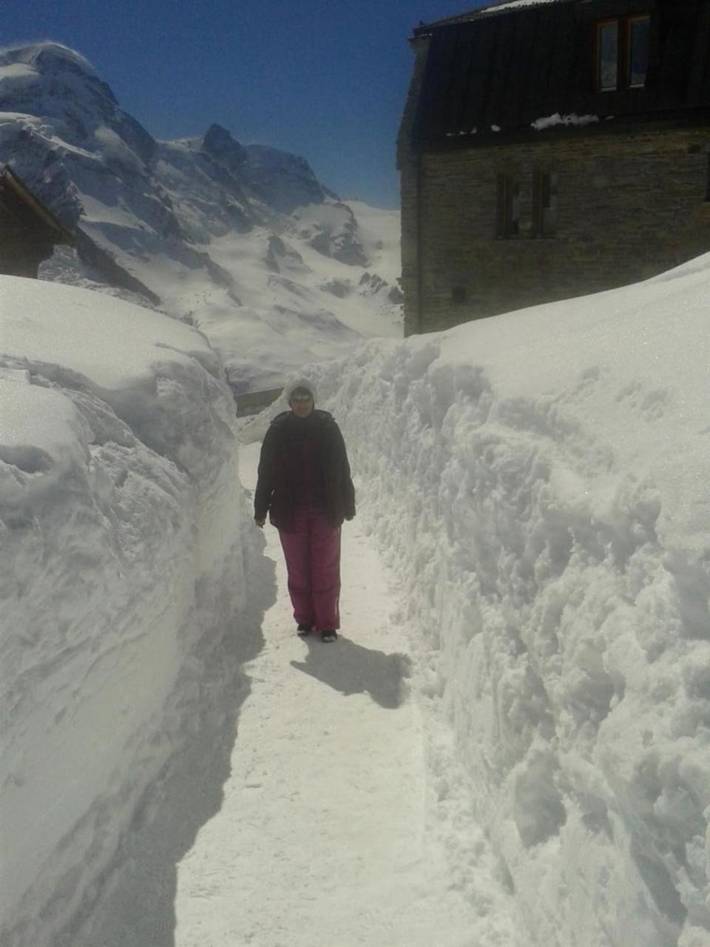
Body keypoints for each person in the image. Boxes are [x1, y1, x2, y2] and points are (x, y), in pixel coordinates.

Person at [254, 380, 355, 643]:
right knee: (298, 568)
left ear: (314, 400)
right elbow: (265, 470)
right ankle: (305, 619)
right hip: (290, 511)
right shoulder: (278, 430)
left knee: (325, 567)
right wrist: (260, 507)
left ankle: (327, 623)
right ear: (289, 402)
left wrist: (348, 501)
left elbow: (342, 467)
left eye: (306, 398)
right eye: (296, 399)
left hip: (325, 509)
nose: (301, 403)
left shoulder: (328, 427)